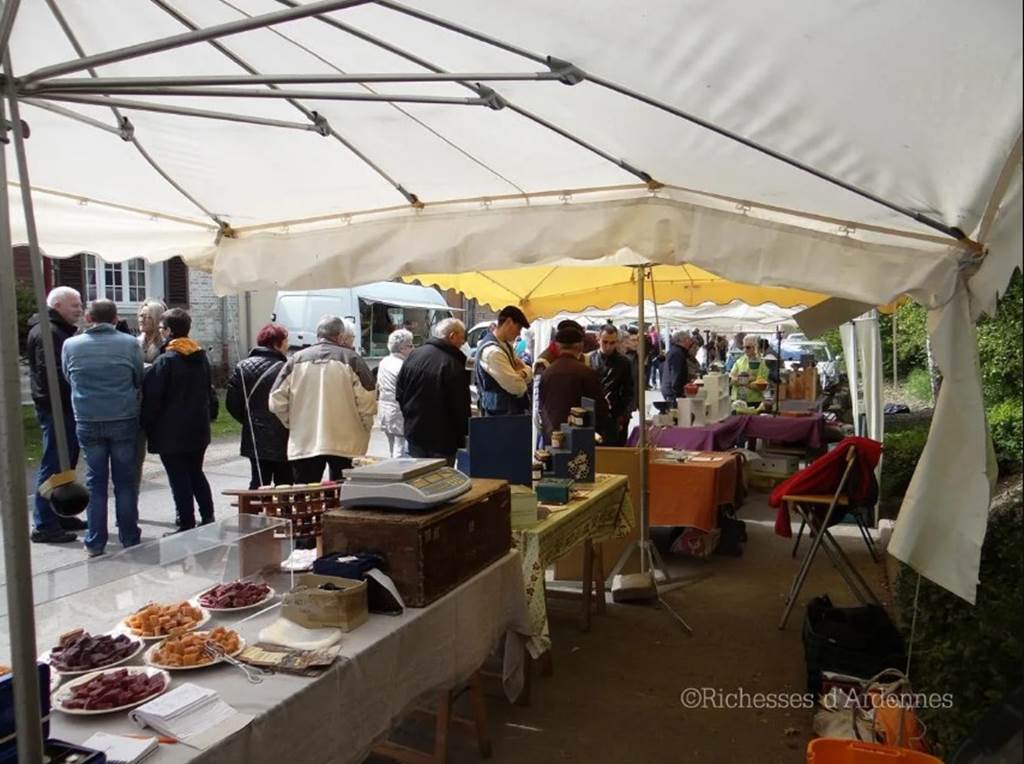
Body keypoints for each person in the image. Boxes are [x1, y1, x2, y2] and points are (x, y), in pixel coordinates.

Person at [62, 299, 144, 557]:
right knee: (125, 481)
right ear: (116, 318)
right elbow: (138, 377)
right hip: (123, 416)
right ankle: (129, 536)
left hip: (87, 418)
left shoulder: (71, 345)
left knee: (95, 482)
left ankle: (95, 540)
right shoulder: (130, 343)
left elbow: (68, 377)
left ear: (88, 318)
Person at [270, 316, 377, 483]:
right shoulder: (352, 359)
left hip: (305, 441)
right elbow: (368, 400)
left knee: (306, 494)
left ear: (318, 335)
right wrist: (365, 427)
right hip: (347, 442)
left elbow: (276, 400)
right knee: (343, 492)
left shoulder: (295, 360)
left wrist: (292, 422)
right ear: (340, 336)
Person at [141, 308, 219, 533]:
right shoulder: (200, 356)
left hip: (171, 430)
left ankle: (186, 521)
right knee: (196, 472)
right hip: (198, 427)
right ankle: (208, 515)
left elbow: (153, 398)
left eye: (162, 328)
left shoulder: (166, 361)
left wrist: (147, 424)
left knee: (178, 477)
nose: (161, 332)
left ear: (169, 331)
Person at [27, 286, 85, 543]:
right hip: (56, 409)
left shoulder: (55, 330)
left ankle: (60, 512)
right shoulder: (48, 332)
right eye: (75, 305)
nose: (80, 309)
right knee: (53, 465)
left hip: (61, 407)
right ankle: (44, 524)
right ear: (58, 305)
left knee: (65, 463)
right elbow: (52, 375)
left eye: (80, 304)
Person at [226, 323, 293, 489]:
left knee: (259, 482)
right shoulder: (287, 368)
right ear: (277, 343)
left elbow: (232, 403)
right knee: (285, 483)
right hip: (283, 433)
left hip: (254, 434)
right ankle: (281, 507)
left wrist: (248, 420)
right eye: (286, 341)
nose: (288, 345)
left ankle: (255, 506)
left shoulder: (242, 366)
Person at [395, 318, 471, 464]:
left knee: (417, 475)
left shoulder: (414, 355)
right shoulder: (452, 363)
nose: (463, 343)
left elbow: (399, 392)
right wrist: (463, 434)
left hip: (415, 432)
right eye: (462, 338)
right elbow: (460, 406)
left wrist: (410, 416)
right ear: (452, 336)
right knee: (440, 476)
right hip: (442, 439)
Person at [538, 325, 609, 444]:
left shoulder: (547, 372)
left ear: (557, 346)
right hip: (578, 438)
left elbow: (541, 405)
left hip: (552, 436)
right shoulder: (586, 372)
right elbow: (600, 408)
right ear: (580, 346)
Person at [475, 305, 532, 416]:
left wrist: (522, 373)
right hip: (499, 417)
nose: (519, 333)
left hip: (507, 414)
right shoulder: (493, 352)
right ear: (509, 322)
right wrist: (523, 374)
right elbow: (516, 387)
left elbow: (529, 372)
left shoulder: (505, 346)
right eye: (519, 328)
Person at [588, 324, 635, 446]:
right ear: (598, 339)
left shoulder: (624, 362)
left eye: (612, 343)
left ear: (616, 342)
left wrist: (619, 413)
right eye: (605, 342)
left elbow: (628, 391)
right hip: (592, 414)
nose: (608, 346)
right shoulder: (588, 359)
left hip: (614, 416)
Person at [376, 328, 415, 458]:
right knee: (400, 448)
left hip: (385, 408)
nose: (413, 348)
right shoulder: (403, 365)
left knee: (392, 447)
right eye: (410, 345)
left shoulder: (384, 362)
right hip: (398, 409)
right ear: (402, 348)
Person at [731, 335, 770, 404]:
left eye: (748, 347)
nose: (745, 350)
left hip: (754, 401)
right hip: (738, 400)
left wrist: (740, 381)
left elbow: (760, 385)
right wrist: (751, 379)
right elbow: (732, 380)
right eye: (743, 347)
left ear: (755, 347)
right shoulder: (739, 361)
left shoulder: (762, 363)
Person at [661, 329, 697, 405]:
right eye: (689, 340)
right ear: (684, 340)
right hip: (672, 393)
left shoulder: (677, 351)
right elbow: (676, 375)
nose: (690, 342)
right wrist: (678, 394)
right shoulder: (677, 353)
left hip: (671, 390)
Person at [136, 298, 167, 364]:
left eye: (148, 317)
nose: (142, 320)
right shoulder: (135, 342)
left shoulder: (165, 345)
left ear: (157, 320)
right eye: (141, 316)